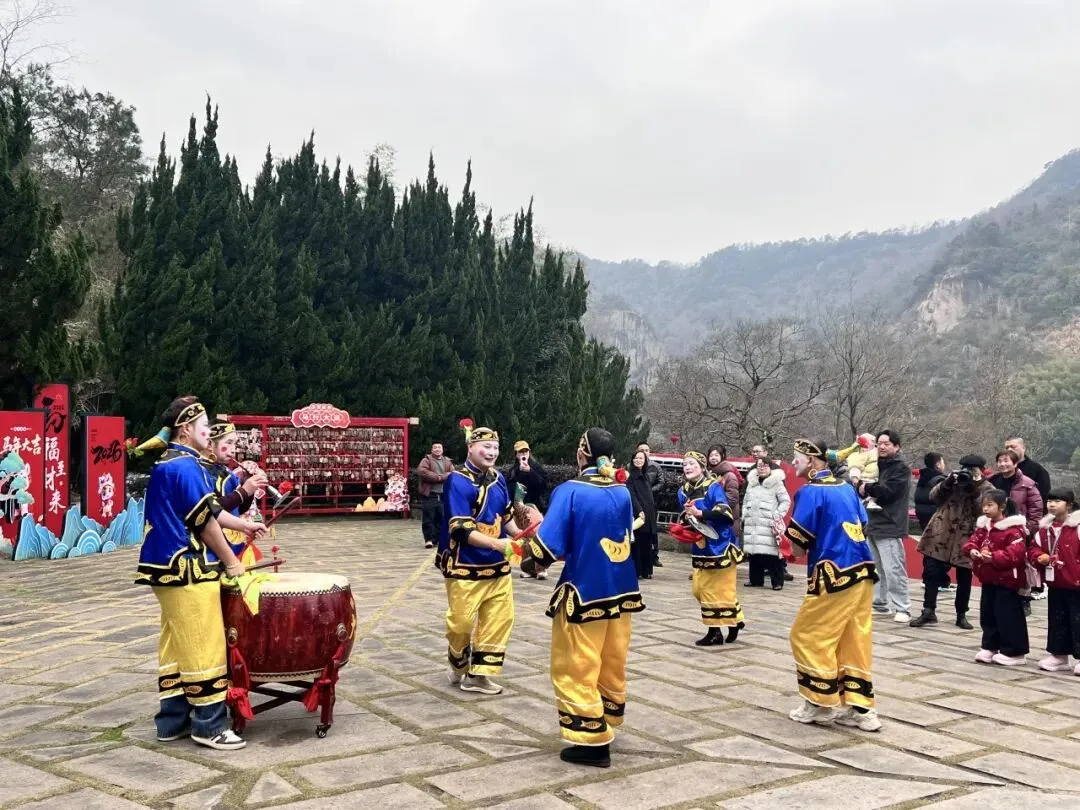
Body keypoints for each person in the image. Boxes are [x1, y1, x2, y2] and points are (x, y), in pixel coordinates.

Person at [131, 396, 265, 751]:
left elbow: (213, 511)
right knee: (205, 644)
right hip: (188, 566)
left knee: (176, 644)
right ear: (186, 429)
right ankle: (209, 725)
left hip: (166, 567)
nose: (208, 433)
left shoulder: (171, 463)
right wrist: (233, 562)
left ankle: (172, 721)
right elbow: (205, 523)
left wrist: (245, 527)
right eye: (204, 427)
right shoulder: (186, 467)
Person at [520, 428, 644, 768]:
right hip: (621, 591)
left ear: (580, 453)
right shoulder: (621, 490)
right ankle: (607, 716)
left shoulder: (570, 491)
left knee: (576, 663)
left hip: (584, 590)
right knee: (611, 658)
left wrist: (525, 555)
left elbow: (545, 550)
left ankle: (592, 740)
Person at [785, 438, 880, 732]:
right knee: (853, 639)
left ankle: (819, 703)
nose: (794, 462)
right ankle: (861, 709)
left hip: (832, 574)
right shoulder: (847, 488)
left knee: (808, 635)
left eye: (798, 457)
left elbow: (798, 546)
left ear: (813, 461)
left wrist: (789, 545)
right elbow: (863, 524)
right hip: (862, 570)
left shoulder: (810, 492)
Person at [439, 426, 529, 695]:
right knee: (461, 624)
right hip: (464, 565)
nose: (492, 452)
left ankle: (479, 676)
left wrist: (522, 535)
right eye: (486, 447)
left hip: (498, 566)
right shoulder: (456, 480)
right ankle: (458, 662)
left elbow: (506, 517)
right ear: (470, 447)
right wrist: (496, 544)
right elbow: (460, 529)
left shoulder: (498, 478)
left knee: (499, 620)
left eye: (496, 448)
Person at [910, 455, 993, 631]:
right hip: (941, 533)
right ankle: (928, 610)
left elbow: (985, 511)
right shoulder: (953, 481)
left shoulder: (987, 488)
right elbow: (933, 497)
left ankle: (961, 614)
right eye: (965, 468)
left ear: (981, 471)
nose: (968, 472)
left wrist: (973, 491)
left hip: (967, 536)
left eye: (973, 469)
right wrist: (947, 483)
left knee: (964, 576)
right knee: (931, 572)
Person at [678, 451, 744, 646]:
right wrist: (685, 521)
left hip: (720, 545)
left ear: (702, 467)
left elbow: (725, 514)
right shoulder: (682, 491)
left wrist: (700, 513)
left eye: (692, 464)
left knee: (712, 590)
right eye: (685, 464)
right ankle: (734, 619)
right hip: (701, 546)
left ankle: (714, 632)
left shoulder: (713, 487)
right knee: (698, 589)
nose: (688, 467)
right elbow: (686, 516)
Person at [962, 489, 1029, 666]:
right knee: (988, 614)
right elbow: (971, 542)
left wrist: (993, 557)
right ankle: (990, 646)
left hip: (1007, 580)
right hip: (988, 578)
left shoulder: (1014, 530)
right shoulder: (984, 527)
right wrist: (972, 550)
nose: (985, 509)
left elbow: (1015, 554)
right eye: (983, 505)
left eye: (990, 505)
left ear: (1002, 507)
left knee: (1008, 616)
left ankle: (1015, 652)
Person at [858, 430, 912, 623]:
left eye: (886, 444)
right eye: (879, 443)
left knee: (893, 569)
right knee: (875, 567)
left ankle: (903, 607)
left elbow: (888, 492)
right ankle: (880, 603)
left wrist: (867, 487)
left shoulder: (901, 468)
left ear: (897, 447)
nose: (881, 447)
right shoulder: (872, 464)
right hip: (872, 522)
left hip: (890, 523)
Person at [202, 421, 268, 566]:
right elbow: (210, 509)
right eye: (229, 443)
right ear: (210, 444)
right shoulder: (201, 472)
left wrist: (248, 487)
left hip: (235, 539)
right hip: (212, 545)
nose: (233, 450)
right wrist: (244, 491)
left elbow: (239, 509)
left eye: (235, 444)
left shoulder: (227, 472)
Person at [1029, 489, 1080, 675]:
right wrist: (1039, 556)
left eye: (1057, 501)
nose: (1051, 504)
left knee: (1078, 621)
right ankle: (1059, 655)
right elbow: (1033, 548)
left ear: (1069, 505)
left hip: (1076, 584)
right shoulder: (1044, 529)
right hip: (1056, 583)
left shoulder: (1077, 527)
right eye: (1049, 500)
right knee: (1057, 620)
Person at [742, 457, 790, 590]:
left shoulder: (777, 483)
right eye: (759, 466)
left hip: (769, 523)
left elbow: (785, 501)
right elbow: (745, 501)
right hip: (752, 522)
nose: (762, 468)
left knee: (772, 553)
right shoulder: (752, 483)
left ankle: (777, 582)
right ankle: (755, 580)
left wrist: (777, 515)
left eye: (765, 466)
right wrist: (745, 514)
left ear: (770, 467)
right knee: (754, 552)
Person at [989, 450, 1044, 539]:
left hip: (1017, 530)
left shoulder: (1027, 484)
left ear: (1015, 464)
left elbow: (1036, 511)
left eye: (1006, 461)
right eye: (1000, 461)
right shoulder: (992, 481)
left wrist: (1026, 530)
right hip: (993, 528)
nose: (1002, 464)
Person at [627, 449, 657, 580]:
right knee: (638, 543)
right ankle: (637, 571)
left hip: (649, 513)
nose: (638, 460)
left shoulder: (646, 476)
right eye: (636, 458)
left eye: (641, 458)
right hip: (639, 513)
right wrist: (639, 510)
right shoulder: (630, 477)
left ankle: (646, 570)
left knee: (647, 542)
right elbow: (631, 495)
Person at [418, 442, 452, 549]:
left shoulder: (447, 461)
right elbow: (422, 471)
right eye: (435, 447)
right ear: (432, 450)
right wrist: (439, 478)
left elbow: (452, 473)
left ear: (442, 449)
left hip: (443, 494)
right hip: (430, 494)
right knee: (428, 518)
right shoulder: (426, 460)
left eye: (439, 447)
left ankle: (437, 540)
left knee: (441, 518)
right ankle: (428, 539)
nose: (437, 449)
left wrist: (441, 477)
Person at [706, 445, 742, 539]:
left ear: (722, 456)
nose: (713, 458)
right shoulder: (707, 474)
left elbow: (732, 498)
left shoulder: (729, 475)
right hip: (710, 519)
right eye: (711, 455)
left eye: (716, 455)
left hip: (726, 520)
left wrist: (712, 505)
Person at [638, 443, 665, 568]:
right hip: (637, 502)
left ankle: (654, 556)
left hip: (651, 502)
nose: (644, 452)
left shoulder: (655, 466)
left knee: (652, 530)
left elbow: (661, 482)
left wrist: (648, 491)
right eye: (641, 450)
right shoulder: (631, 466)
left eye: (647, 450)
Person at [1005, 437, 1052, 507]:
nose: (1009, 449)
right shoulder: (1003, 470)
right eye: (1007, 447)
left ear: (1023, 448)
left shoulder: (1037, 470)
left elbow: (1043, 497)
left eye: (1013, 447)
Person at [506, 440, 548, 512]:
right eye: (521, 451)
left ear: (529, 453)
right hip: (518, 507)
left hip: (535, 506)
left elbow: (543, 486)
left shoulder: (537, 467)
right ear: (516, 454)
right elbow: (509, 488)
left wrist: (530, 471)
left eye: (526, 451)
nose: (524, 453)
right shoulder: (513, 470)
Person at [913, 452, 947, 532]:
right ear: (938, 465)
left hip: (923, 519)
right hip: (937, 520)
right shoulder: (940, 481)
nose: (944, 465)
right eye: (943, 462)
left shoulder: (922, 479)